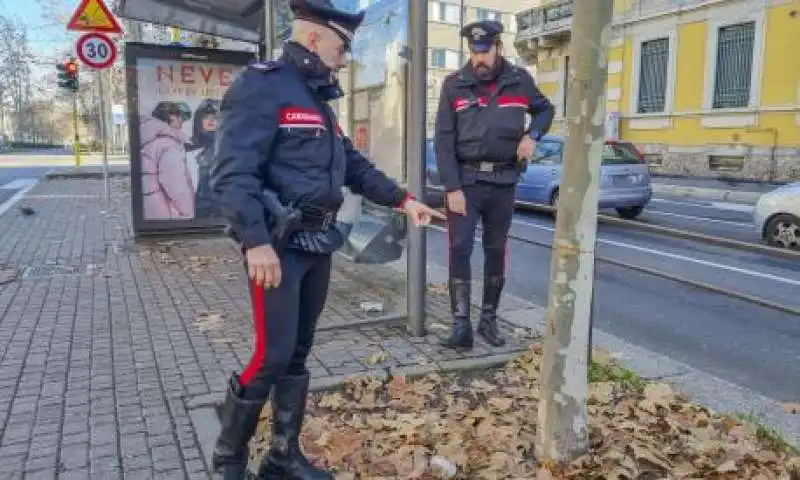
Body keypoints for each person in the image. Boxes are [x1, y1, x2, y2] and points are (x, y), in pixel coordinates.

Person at [208, 1, 444, 478]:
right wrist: (255, 241)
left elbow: (352, 165)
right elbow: (232, 175)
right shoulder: (263, 85)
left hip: (317, 243)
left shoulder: (316, 97)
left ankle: (281, 458)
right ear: (314, 38)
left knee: (297, 351)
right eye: (342, 46)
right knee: (271, 354)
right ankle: (228, 457)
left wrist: (404, 200)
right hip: (276, 246)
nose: (346, 57)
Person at [434, 19, 555, 351]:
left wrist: (533, 135)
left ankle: (488, 320)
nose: (479, 60)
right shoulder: (454, 84)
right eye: (474, 52)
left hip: (503, 181)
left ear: (499, 48)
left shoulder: (519, 81)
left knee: (496, 251)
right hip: (466, 182)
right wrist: (452, 188)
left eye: (485, 52)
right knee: (459, 249)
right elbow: (443, 141)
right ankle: (461, 326)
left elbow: (545, 110)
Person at [140, 101, 195, 220]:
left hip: (152, 208)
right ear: (172, 117)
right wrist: (188, 211)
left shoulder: (149, 139)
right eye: (179, 116)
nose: (181, 121)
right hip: (168, 212)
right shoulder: (169, 144)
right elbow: (175, 185)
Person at [187, 98, 221, 217]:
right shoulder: (189, 147)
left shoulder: (228, 147)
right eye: (206, 117)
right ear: (198, 120)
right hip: (196, 211)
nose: (211, 120)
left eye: (215, 117)